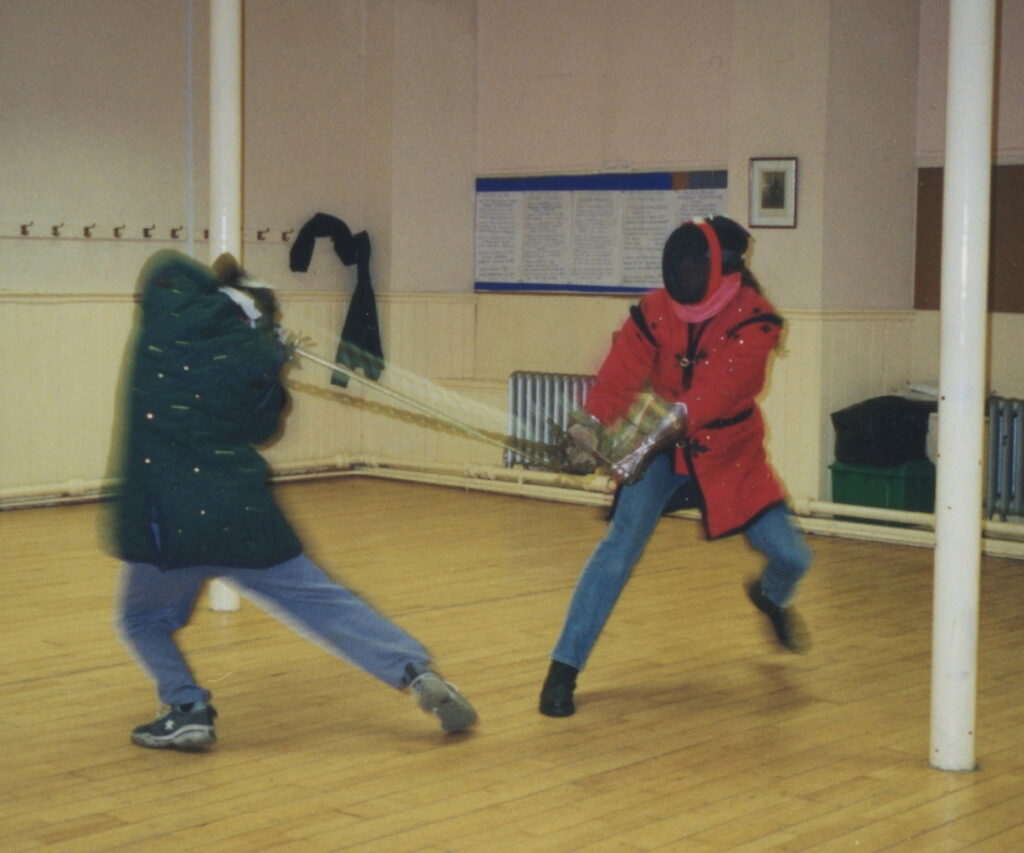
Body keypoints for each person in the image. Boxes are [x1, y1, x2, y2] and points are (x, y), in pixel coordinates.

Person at [105, 249, 476, 750]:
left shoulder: (158, 334)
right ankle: (414, 671)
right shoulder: (249, 348)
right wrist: (269, 360)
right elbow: (262, 429)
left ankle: (186, 708)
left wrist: (259, 345)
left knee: (142, 619)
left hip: (168, 521)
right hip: (240, 508)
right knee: (321, 602)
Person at [539, 215, 812, 718]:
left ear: (722, 269)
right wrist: (587, 427)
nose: (682, 275)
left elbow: (709, 398)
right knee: (617, 549)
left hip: (729, 453)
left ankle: (771, 597)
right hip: (666, 452)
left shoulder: (756, 320)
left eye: (693, 265)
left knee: (793, 557)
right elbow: (619, 375)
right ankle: (563, 668)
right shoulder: (656, 310)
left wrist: (636, 452)